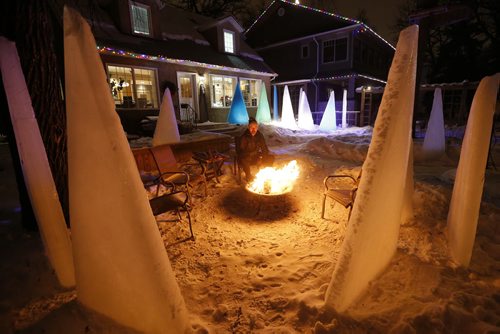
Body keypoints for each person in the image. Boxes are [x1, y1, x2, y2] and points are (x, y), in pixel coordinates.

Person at [237, 117, 274, 182]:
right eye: (252, 128)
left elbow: (264, 147)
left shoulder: (259, 135)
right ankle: (248, 176)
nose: (254, 130)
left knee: (270, 157)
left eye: (255, 127)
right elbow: (241, 151)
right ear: (248, 127)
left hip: (255, 156)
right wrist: (249, 154)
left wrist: (265, 156)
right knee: (245, 159)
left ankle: (267, 175)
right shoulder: (244, 137)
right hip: (246, 157)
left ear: (257, 128)